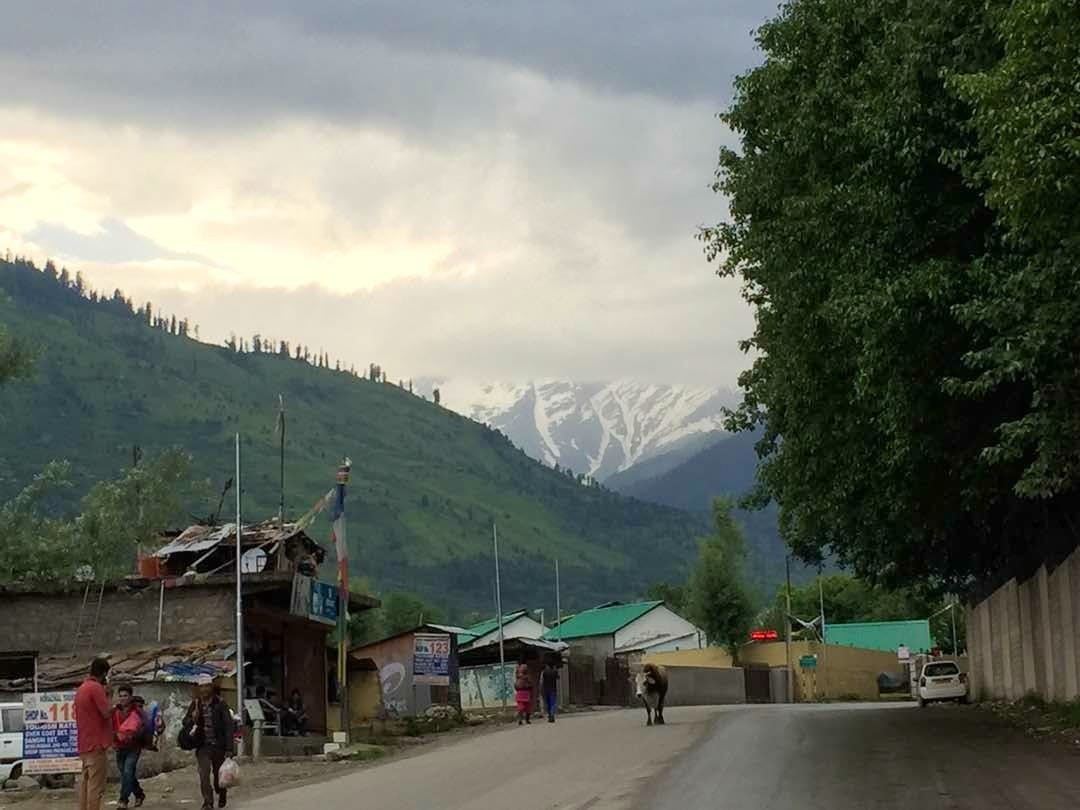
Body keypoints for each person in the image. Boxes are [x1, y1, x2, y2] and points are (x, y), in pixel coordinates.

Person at [183, 675, 235, 810]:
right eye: (202, 687)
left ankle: (222, 793)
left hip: (219, 746)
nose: (204, 689)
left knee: (219, 775)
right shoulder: (195, 704)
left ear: (211, 688)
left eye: (207, 686)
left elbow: (228, 726)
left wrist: (230, 749)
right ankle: (208, 802)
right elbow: (185, 722)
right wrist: (192, 719)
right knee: (203, 774)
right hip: (203, 746)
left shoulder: (220, 703)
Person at [74, 657, 113, 810]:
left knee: (85, 785)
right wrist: (110, 697)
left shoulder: (82, 688)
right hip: (96, 744)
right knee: (96, 788)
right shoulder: (95, 688)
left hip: (84, 744)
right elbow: (106, 712)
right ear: (104, 674)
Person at [111, 685, 146, 810]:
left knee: (127, 771)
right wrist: (115, 739)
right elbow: (111, 728)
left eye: (125, 696)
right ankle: (139, 794)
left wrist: (132, 735)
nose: (123, 698)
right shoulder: (114, 711)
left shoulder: (137, 711)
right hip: (120, 747)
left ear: (130, 697)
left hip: (133, 747)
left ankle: (123, 800)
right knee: (127, 774)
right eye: (120, 696)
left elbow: (144, 727)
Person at [513, 659, 532, 725]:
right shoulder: (527, 677)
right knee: (527, 708)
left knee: (520, 707)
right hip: (526, 693)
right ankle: (527, 720)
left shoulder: (517, 677)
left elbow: (515, 686)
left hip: (519, 693)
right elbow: (530, 685)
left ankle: (520, 720)